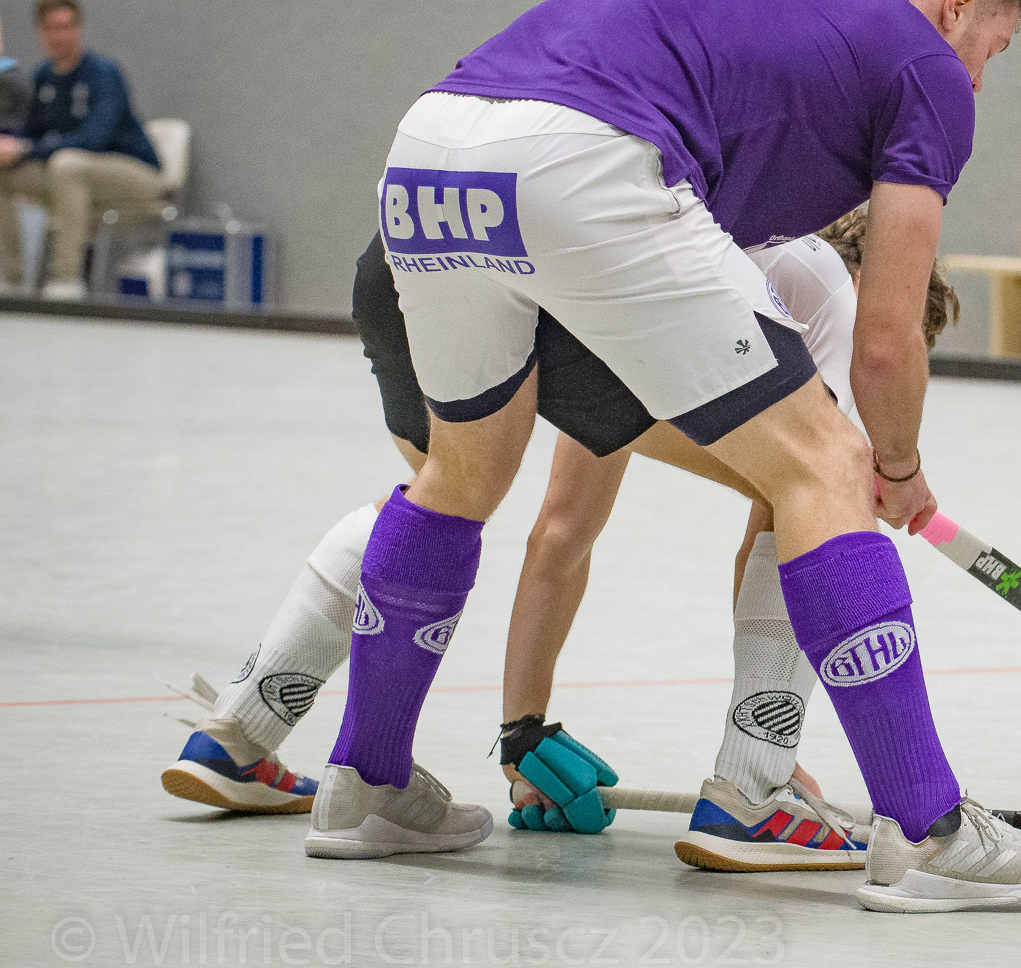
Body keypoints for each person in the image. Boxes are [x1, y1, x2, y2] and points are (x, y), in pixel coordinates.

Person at [300, 0, 1021, 914]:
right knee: (827, 465)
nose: (978, 77)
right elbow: (887, 337)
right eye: (993, 47)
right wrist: (895, 463)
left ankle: (365, 781)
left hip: (433, 144)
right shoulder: (922, 64)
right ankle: (928, 829)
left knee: (460, 474)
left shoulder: (776, 16)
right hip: (579, 157)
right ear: (957, 4)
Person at [168, 211, 965, 873]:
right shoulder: (828, 291)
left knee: (437, 496)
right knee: (821, 483)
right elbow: (798, 514)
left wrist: (525, 731)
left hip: (416, 244)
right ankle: (752, 793)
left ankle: (239, 729)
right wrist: (765, 758)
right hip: (525, 261)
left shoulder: (702, 271)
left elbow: (562, 530)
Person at [0, 0, 166, 298]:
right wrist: (11, 147)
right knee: (6, 171)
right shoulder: (44, 77)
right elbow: (31, 133)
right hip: (69, 176)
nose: (59, 35)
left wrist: (27, 149)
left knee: (67, 164)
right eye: (52, 28)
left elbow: (94, 139)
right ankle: (11, 281)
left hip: (134, 173)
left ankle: (66, 280)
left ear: (78, 29)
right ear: (40, 32)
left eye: (66, 27)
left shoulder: (103, 72)